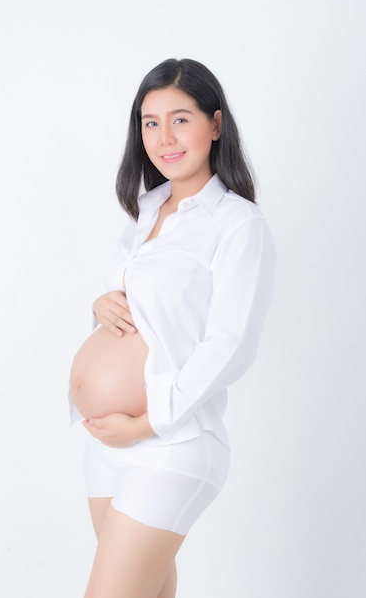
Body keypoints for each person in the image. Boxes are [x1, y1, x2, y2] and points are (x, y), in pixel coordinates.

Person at [68, 58, 275, 598]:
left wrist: (148, 423)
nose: (164, 137)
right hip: (107, 448)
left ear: (216, 123)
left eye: (180, 119)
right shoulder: (146, 211)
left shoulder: (237, 224)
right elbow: (144, 314)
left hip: (172, 443)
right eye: (150, 121)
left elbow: (231, 346)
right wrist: (101, 305)